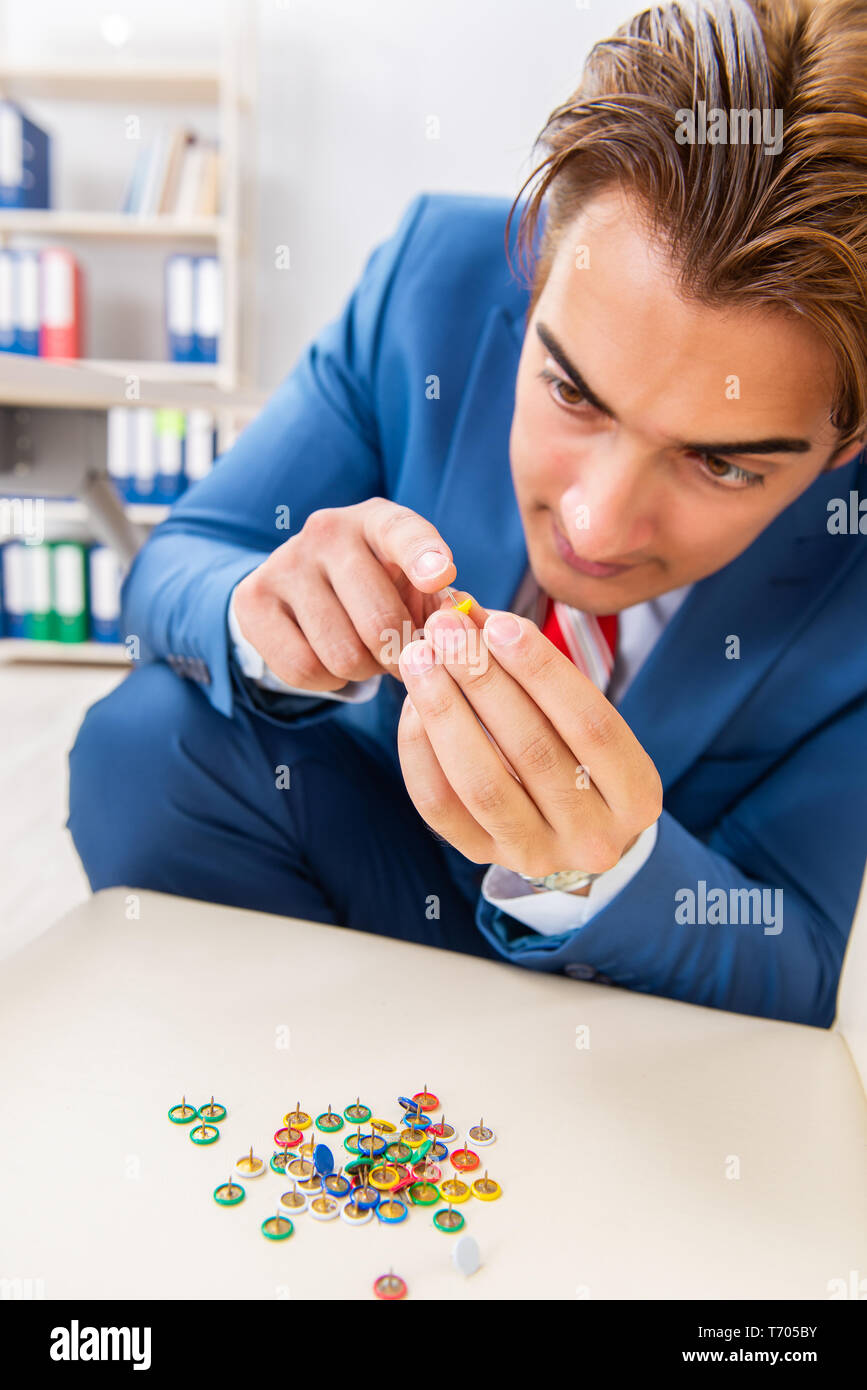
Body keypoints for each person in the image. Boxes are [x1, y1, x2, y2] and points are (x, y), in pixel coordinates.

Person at [69, 0, 867, 1027]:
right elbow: (173, 569)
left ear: (845, 446)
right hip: (383, 895)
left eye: (718, 462)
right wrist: (269, 614)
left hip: (644, 1021)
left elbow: (803, 959)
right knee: (148, 740)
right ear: (534, 268)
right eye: (573, 392)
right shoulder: (432, 279)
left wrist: (606, 870)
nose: (593, 522)